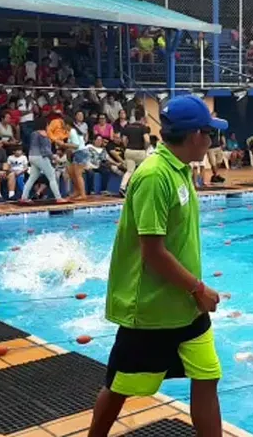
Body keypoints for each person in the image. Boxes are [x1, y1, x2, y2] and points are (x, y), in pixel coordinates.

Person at [88, 95, 225, 437]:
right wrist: (198, 288)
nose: (213, 140)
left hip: (186, 306)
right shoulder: (154, 176)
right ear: (195, 135)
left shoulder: (179, 170)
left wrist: (193, 293)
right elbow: (153, 252)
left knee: (207, 376)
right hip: (151, 309)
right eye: (210, 133)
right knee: (119, 386)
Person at [20, 118, 68, 203]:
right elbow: (45, 150)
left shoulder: (33, 133)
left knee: (32, 178)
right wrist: (53, 157)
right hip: (40, 157)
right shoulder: (44, 135)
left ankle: (24, 197)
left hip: (31, 156)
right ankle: (59, 198)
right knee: (52, 177)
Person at [120, 109, 151, 195]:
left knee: (129, 171)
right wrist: (145, 148)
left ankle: (122, 187)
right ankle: (143, 188)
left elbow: (123, 140)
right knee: (144, 170)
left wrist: (127, 146)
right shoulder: (143, 128)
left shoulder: (128, 126)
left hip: (129, 151)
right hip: (140, 151)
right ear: (142, 118)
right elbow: (147, 140)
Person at [205, 115, 226, 185]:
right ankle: (216, 175)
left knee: (219, 162)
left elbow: (222, 135)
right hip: (210, 148)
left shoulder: (219, 128)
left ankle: (215, 176)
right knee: (213, 163)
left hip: (218, 147)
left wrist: (224, 143)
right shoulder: (208, 127)